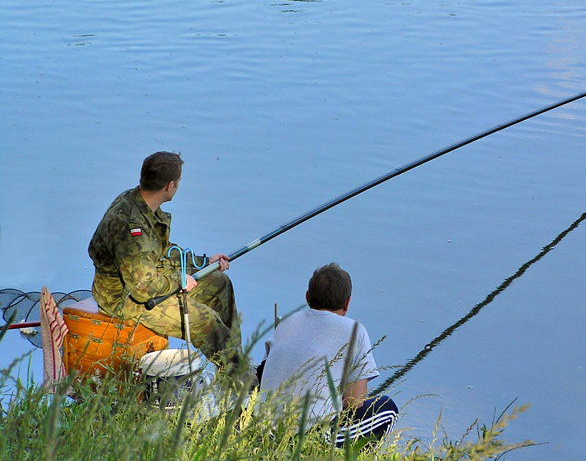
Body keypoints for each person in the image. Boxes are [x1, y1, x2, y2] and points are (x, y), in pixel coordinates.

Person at [88, 151, 242, 369]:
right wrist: (180, 281)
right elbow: (143, 288)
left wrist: (203, 262)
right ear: (170, 186)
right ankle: (243, 385)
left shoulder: (139, 201)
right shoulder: (131, 225)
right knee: (206, 322)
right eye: (178, 182)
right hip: (124, 300)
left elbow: (161, 250)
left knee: (220, 283)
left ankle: (232, 366)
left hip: (147, 280)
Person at [258, 263, 398, 447]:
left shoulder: (286, 323)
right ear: (347, 302)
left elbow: (265, 376)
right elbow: (353, 401)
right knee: (387, 408)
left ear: (307, 297)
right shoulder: (355, 330)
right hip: (307, 438)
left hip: (263, 429)